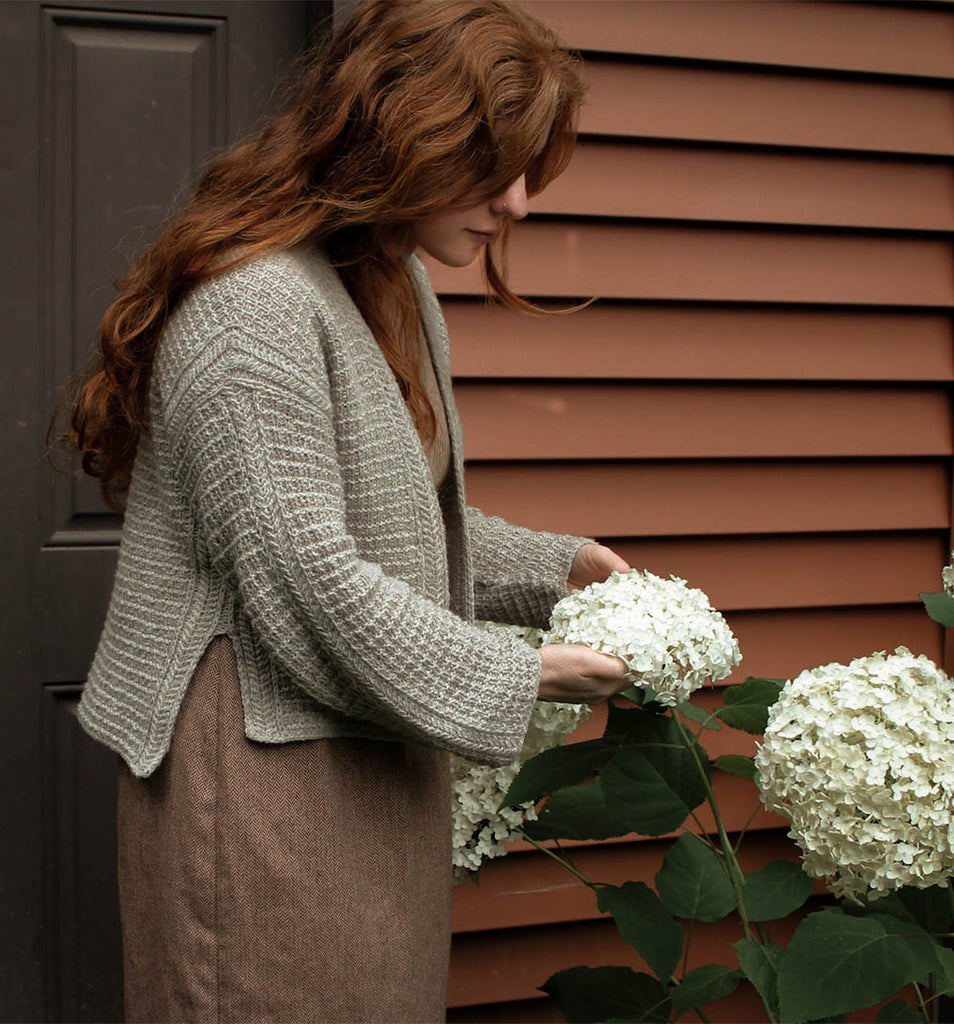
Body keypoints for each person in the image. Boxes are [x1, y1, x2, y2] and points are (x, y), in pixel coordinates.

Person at [59, 1, 631, 1021]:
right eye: (493, 165)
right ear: (405, 135)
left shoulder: (390, 281)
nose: (518, 204)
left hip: (360, 759)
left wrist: (559, 568)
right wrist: (525, 671)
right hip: (260, 775)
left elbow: (390, 512)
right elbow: (308, 575)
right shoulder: (254, 307)